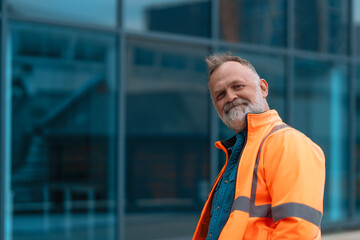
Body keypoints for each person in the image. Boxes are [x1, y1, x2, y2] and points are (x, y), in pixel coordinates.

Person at [193, 53, 325, 240]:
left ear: (263, 88)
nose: (230, 97)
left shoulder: (286, 142)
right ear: (215, 106)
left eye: (237, 86)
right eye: (220, 95)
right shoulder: (241, 154)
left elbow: (298, 232)